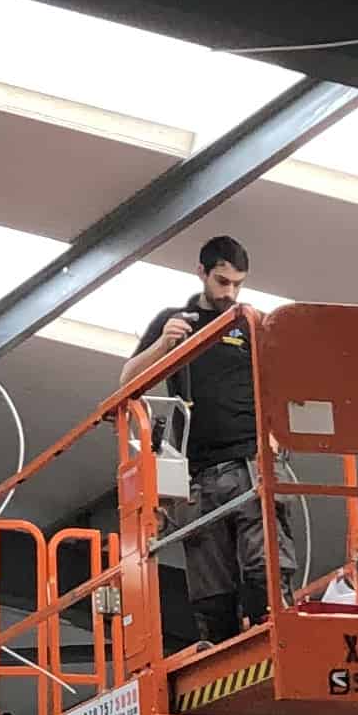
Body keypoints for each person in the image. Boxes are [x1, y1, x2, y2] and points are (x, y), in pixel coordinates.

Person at [130, 235, 262, 649]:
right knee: (210, 579)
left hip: (251, 462)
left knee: (264, 563)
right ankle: (219, 645)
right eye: (222, 282)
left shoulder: (249, 324)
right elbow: (126, 383)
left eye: (238, 284)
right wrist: (162, 345)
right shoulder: (176, 321)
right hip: (197, 472)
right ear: (201, 273)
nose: (230, 292)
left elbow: (279, 383)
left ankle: (267, 628)